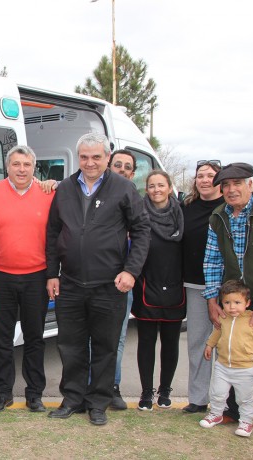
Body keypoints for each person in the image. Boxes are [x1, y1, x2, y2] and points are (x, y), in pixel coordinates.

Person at [45, 132, 150, 426]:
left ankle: (98, 403)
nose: (90, 163)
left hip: (110, 285)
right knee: (70, 345)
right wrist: (52, 273)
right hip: (72, 284)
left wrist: (131, 270)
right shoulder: (65, 188)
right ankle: (73, 399)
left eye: (96, 157)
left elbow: (142, 230)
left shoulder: (124, 188)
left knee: (104, 346)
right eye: (84, 157)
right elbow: (53, 233)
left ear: (107, 157)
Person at [203, 162, 253, 423]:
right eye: (225, 185)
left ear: (251, 184)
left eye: (237, 183)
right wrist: (212, 300)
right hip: (232, 301)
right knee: (230, 352)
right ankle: (231, 411)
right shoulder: (219, 215)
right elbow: (212, 261)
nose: (230, 189)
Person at [0, 145, 54, 413]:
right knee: (1, 339)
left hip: (37, 277)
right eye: (16, 164)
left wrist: (52, 274)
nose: (21, 169)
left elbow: (55, 238)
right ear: (7, 166)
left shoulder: (48, 193)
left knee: (35, 338)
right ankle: (3, 394)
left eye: (26, 164)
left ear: (34, 167)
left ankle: (34, 394)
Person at [131, 171, 185, 411]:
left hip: (175, 285)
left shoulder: (181, 213)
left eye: (161, 185)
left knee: (171, 343)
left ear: (170, 187)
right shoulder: (138, 213)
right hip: (146, 284)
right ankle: (146, 392)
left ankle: (165, 390)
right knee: (146, 343)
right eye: (151, 186)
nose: (156, 190)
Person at [199, 280, 253, 437]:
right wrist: (209, 345)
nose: (232, 307)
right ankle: (216, 414)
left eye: (237, 302)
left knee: (244, 399)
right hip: (222, 366)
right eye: (227, 302)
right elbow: (217, 333)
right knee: (217, 393)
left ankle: (246, 422)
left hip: (245, 369)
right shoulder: (224, 318)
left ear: (247, 303)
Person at [180, 160, 224, 414]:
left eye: (210, 175)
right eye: (200, 176)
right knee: (198, 342)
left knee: (226, 344)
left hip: (227, 288)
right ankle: (198, 398)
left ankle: (225, 400)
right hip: (195, 284)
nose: (205, 180)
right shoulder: (187, 206)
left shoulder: (227, 207)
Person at [106, 149, 138, 410]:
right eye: (118, 164)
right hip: (94, 278)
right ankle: (91, 386)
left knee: (116, 337)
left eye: (128, 167)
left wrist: (131, 271)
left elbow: (142, 236)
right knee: (91, 338)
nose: (123, 169)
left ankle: (112, 387)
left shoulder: (135, 199)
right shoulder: (95, 192)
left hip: (122, 281)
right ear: (109, 166)